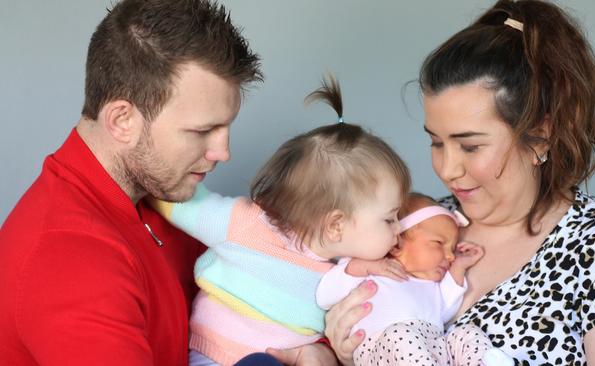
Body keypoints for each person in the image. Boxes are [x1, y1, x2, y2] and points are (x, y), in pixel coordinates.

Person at [322, 0, 595, 365]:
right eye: (435, 142)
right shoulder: (412, 225)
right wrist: (346, 356)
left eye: (470, 146)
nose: (447, 169)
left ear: (539, 137)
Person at [0, 0, 265, 365]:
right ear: (122, 120)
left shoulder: (161, 194)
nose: (223, 151)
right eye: (203, 130)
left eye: (226, 126)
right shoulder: (68, 260)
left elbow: (263, 293)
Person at [149, 76, 411, 366]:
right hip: (214, 357)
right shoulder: (247, 225)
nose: (400, 228)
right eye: (389, 219)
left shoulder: (343, 275)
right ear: (336, 225)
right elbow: (181, 202)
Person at [317, 192, 513, 366]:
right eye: (439, 244)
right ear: (396, 243)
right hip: (382, 348)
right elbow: (325, 295)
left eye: (452, 249)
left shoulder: (432, 286)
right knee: (400, 335)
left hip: (433, 347)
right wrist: (363, 267)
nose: (451, 256)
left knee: (465, 334)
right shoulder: (366, 268)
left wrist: (460, 266)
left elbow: (445, 309)